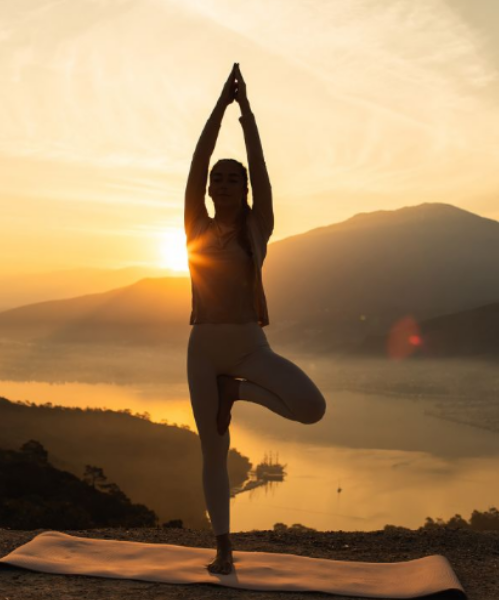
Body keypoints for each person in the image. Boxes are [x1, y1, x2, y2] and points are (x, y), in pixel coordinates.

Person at [184, 63, 327, 575]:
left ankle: (236, 393)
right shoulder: (195, 224)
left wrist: (245, 115)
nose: (221, 182)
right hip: (203, 349)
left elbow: (262, 171)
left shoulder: (257, 225)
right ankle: (223, 546)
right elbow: (197, 162)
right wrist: (217, 107)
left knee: (311, 407)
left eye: (232, 178)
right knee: (213, 452)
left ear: (243, 187)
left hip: (249, 346)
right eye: (217, 179)